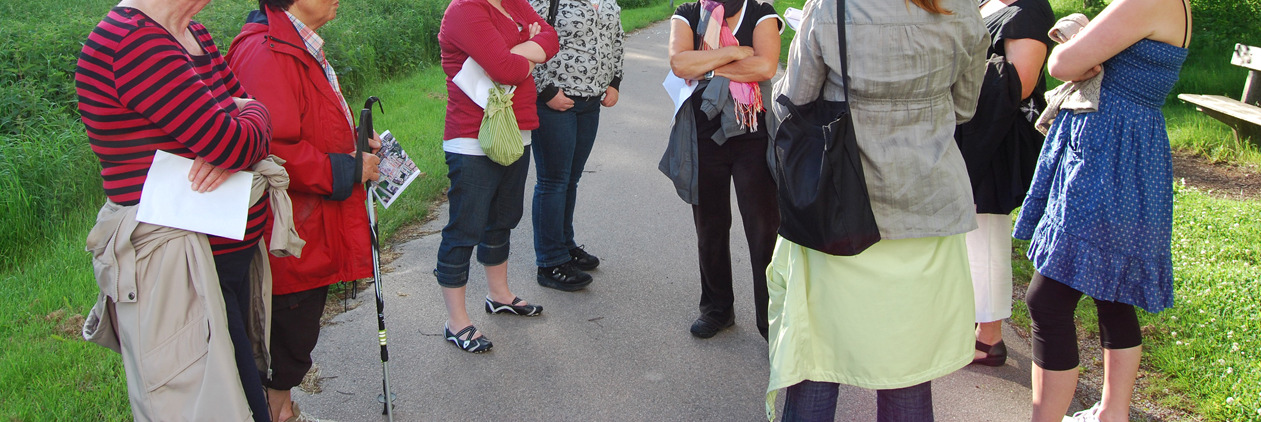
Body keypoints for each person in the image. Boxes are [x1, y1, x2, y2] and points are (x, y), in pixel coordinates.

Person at [765, 0, 988, 419]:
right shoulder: (960, 8)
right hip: (927, 204)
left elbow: (794, 100)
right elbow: (964, 108)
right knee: (907, 366)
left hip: (838, 207)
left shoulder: (830, 7)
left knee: (816, 358)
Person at [75, 0, 276, 419]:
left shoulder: (192, 32)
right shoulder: (134, 42)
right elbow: (231, 143)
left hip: (219, 262)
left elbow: (250, 111)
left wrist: (249, 115)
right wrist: (240, 129)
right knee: (213, 406)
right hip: (181, 272)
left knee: (241, 393)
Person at [1012, 0, 1190, 419]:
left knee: (1048, 299)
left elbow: (1061, 63)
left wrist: (1074, 42)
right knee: (1113, 293)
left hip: (1109, 155)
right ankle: (1113, 413)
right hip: (1131, 152)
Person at [225, 0, 382, 419]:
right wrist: (346, 167)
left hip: (305, 222)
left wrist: (353, 144)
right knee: (284, 340)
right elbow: (270, 147)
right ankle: (279, 412)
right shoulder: (267, 51)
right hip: (287, 232)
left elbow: (306, 123)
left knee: (294, 336)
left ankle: (282, 407)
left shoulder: (295, 42)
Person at [435, 0, 559, 353]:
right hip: (472, 137)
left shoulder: (515, 4)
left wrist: (513, 55)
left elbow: (552, 38)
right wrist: (525, 52)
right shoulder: (464, 10)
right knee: (465, 227)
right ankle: (457, 321)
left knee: (503, 218)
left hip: (518, 130)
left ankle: (499, 295)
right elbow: (506, 70)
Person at [663, 0, 782, 340]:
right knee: (710, 228)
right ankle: (717, 308)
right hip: (703, 134)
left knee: (763, 232)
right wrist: (736, 53)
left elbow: (766, 66)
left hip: (752, 136)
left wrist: (708, 68)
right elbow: (680, 63)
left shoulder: (761, 12)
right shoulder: (687, 14)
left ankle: (771, 320)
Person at [956, 0, 1054, 367]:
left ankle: (989, 338)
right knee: (963, 236)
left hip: (996, 139)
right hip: (968, 129)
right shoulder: (984, 3)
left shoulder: (1029, 11)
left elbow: (1021, 83)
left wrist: (952, 67)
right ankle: (964, 322)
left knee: (985, 234)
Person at [527, 0, 625, 291]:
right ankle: (550, 262)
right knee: (553, 181)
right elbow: (525, 38)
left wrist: (615, 80)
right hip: (555, 103)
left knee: (571, 178)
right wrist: (545, 91)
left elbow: (616, 39)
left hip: (591, 102)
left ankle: (565, 246)